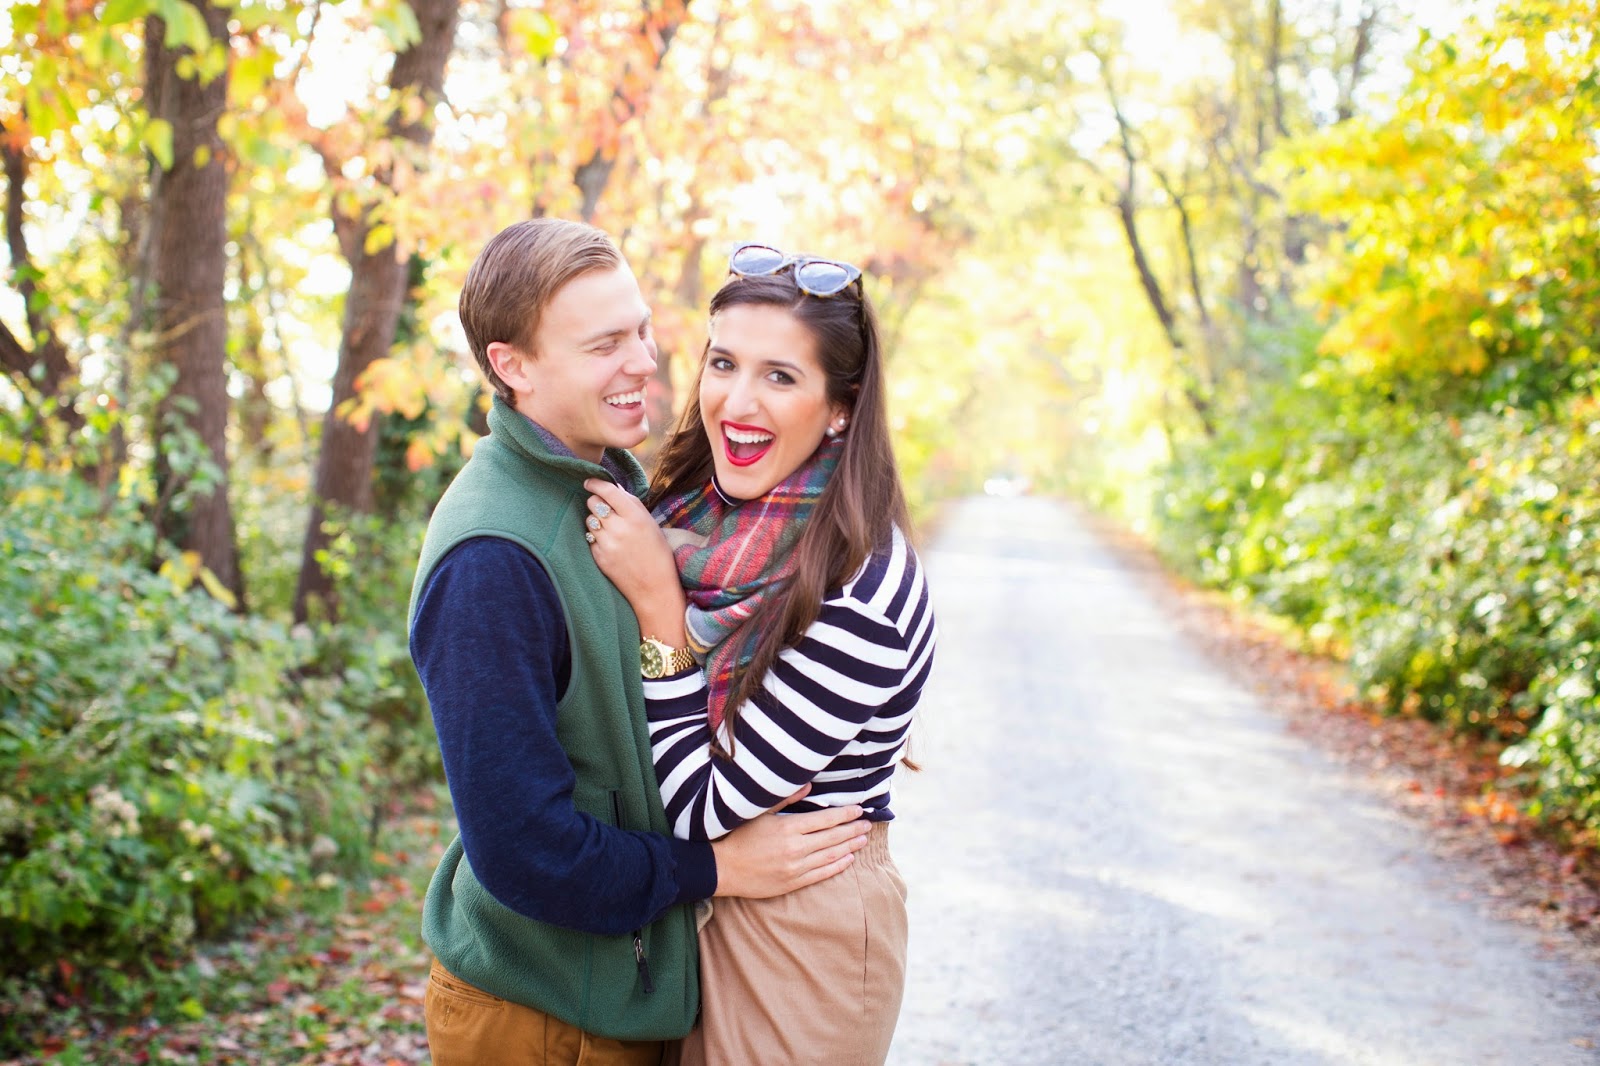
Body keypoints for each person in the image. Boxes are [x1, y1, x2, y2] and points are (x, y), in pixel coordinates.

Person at [408, 220, 876, 1066]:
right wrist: (715, 868)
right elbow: (524, 852)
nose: (643, 363)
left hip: (618, 996)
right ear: (514, 366)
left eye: (641, 331)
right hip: (540, 1015)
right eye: (603, 346)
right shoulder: (492, 561)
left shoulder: (611, 488)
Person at [581, 242, 937, 1065]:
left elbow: (700, 809)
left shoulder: (862, 591)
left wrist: (660, 608)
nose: (737, 402)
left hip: (799, 932)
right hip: (697, 911)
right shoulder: (700, 519)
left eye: (780, 376)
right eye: (724, 364)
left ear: (840, 407)